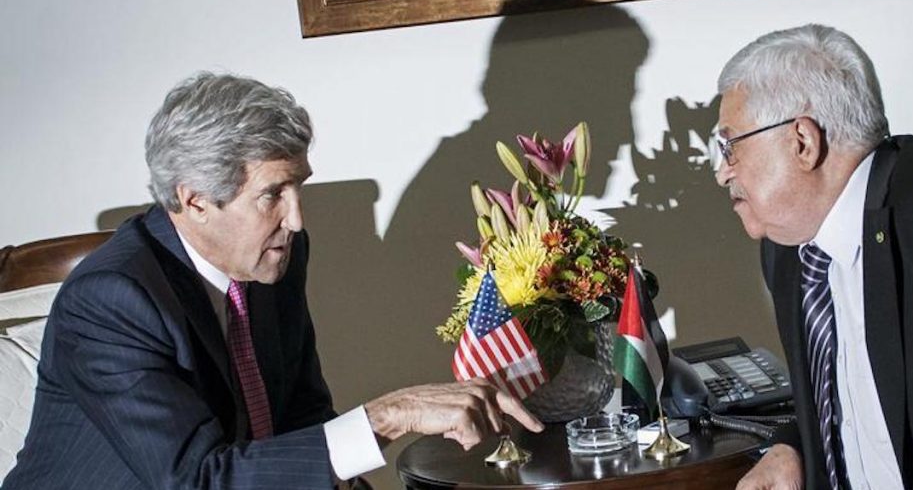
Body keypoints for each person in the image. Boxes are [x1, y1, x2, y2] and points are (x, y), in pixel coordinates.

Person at [1, 73, 542, 490]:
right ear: (194, 201)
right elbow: (200, 480)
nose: (297, 220)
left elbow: (298, 414)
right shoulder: (111, 302)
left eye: (298, 188)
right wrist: (393, 413)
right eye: (272, 195)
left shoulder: (273, 257)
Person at [712, 24, 913, 489]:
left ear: (802, 141)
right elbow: (853, 394)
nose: (722, 173)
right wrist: (791, 447)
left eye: (730, 146)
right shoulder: (787, 254)